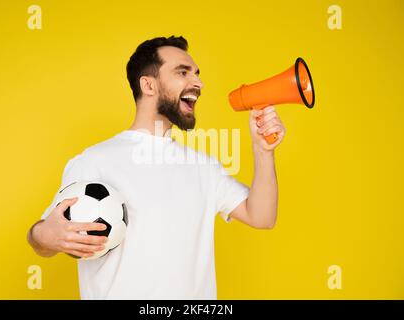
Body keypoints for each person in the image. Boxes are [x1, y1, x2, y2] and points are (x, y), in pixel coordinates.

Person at [27, 36, 286, 299]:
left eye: (197, 74)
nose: (198, 83)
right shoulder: (93, 161)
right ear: (148, 85)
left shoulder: (204, 167)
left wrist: (263, 150)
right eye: (183, 72)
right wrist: (43, 234)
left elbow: (262, 217)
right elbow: (44, 241)